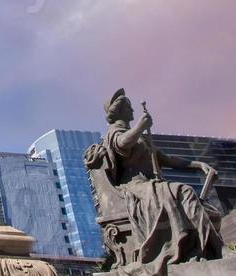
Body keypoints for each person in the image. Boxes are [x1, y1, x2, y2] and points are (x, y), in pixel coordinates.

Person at [84, 89, 222, 271]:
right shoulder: (114, 133)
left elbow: (166, 159)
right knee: (184, 191)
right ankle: (208, 248)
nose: (133, 110)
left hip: (151, 183)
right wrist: (140, 126)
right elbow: (122, 144)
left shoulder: (142, 137)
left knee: (187, 195)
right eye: (129, 107)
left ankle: (208, 249)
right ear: (119, 111)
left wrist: (197, 165)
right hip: (134, 184)